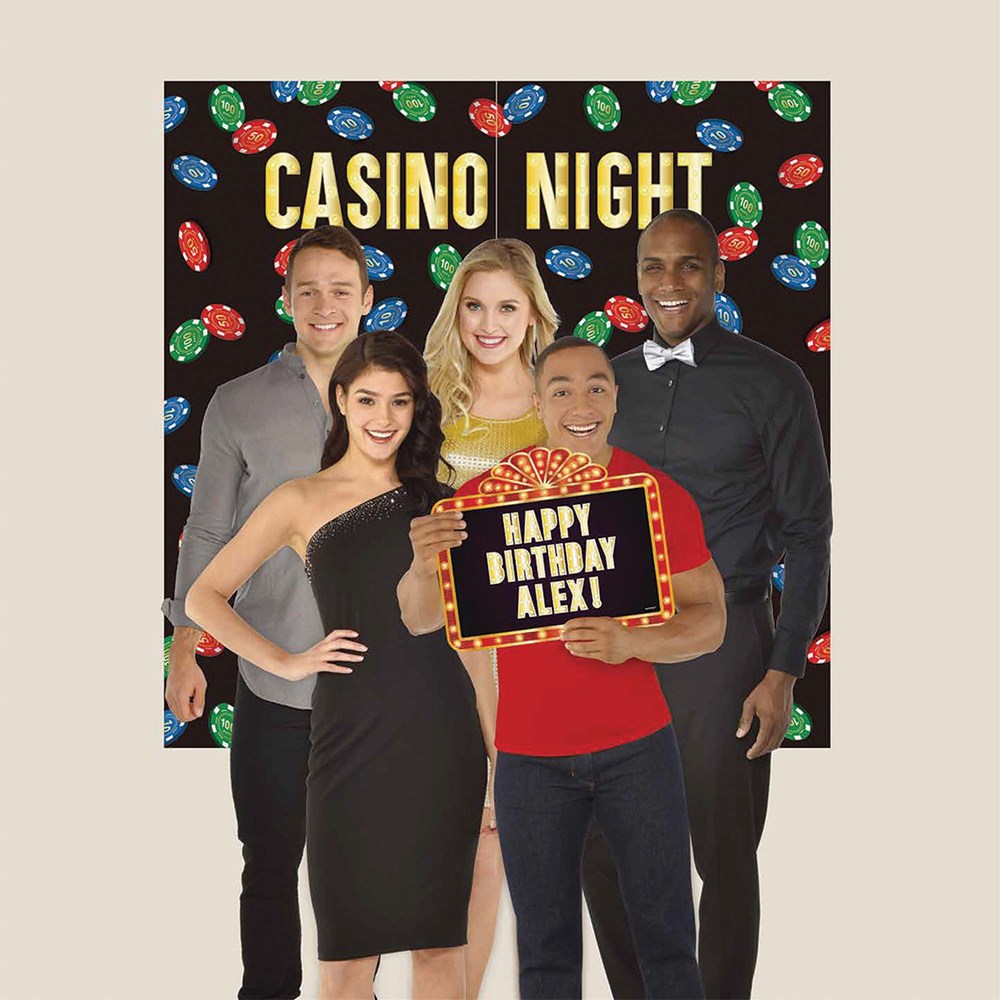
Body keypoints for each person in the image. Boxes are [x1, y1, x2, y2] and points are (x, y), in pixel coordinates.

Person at [400, 336, 728, 1000]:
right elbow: (418, 617)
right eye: (562, 390)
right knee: (545, 955)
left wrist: (632, 642)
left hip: (638, 750)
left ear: (616, 398)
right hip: (529, 760)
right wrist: (422, 563)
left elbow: (711, 620)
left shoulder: (652, 495)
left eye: (596, 388)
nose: (582, 405)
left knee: (668, 941)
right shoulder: (487, 499)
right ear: (537, 401)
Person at [186, 333, 487, 1000]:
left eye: (400, 402)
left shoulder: (445, 502)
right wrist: (287, 662)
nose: (384, 417)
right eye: (369, 400)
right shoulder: (298, 499)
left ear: (417, 409)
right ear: (342, 401)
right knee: (344, 962)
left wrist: (498, 755)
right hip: (348, 738)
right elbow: (204, 596)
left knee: (440, 947)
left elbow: (473, 641)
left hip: (443, 740)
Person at [584, 208, 833, 999]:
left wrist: (783, 672)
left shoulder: (774, 381)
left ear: (719, 275)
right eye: (653, 266)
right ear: (635, 279)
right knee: (597, 842)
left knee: (722, 851)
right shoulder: (603, 384)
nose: (670, 282)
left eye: (689, 265)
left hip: (725, 643)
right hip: (614, 639)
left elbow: (810, 534)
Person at [163, 224, 373, 999]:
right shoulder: (237, 402)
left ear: (367, 300)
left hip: (377, 688)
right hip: (271, 677)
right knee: (270, 863)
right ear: (285, 300)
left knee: (365, 868)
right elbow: (207, 531)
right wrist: (184, 648)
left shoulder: (407, 396)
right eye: (307, 290)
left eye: (340, 290)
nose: (325, 305)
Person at [423, 237, 559, 996]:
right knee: (425, 846)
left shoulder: (557, 404)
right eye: (473, 306)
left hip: (522, 653)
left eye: (506, 307)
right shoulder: (425, 399)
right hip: (427, 647)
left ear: (533, 313)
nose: (488, 324)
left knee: (489, 843)